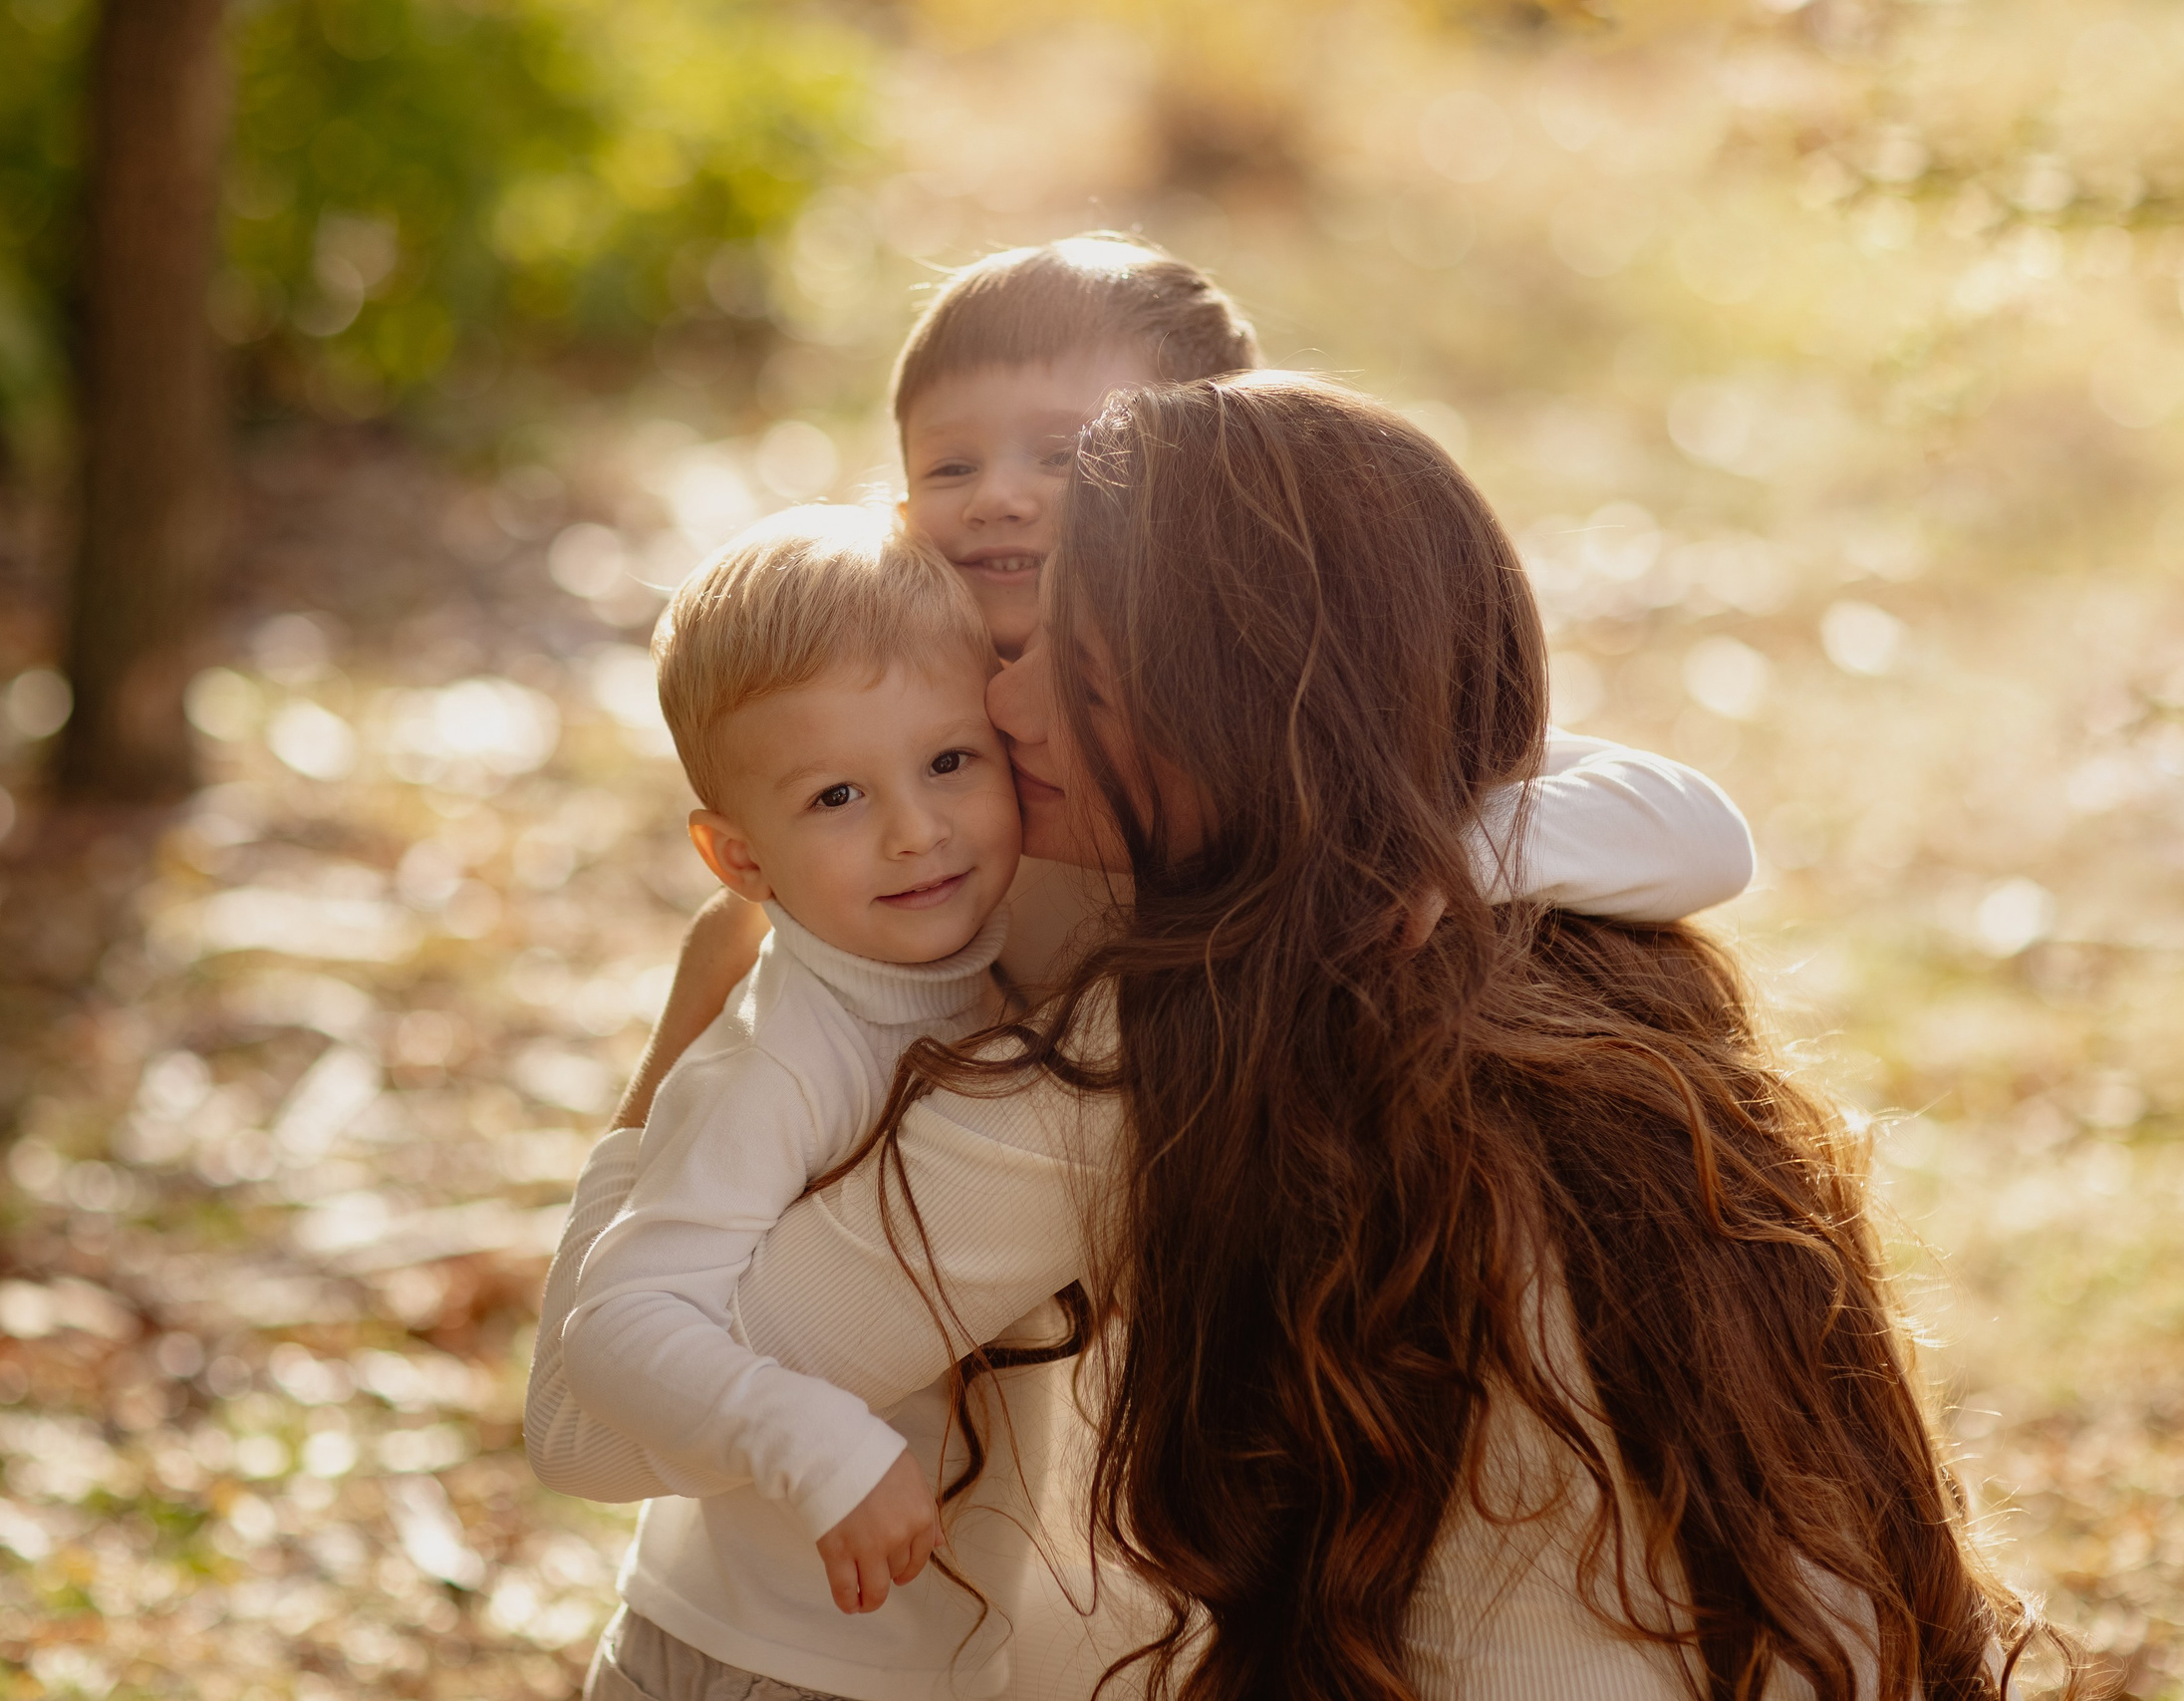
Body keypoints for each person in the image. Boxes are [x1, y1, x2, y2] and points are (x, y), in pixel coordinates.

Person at [605, 372, 2064, 1699]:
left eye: (1084, 676)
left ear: (1236, 728)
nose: (1005, 697)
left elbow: (607, 1403)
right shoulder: (1590, 933)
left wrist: (682, 1065)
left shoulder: (1165, 1043)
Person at [613, 233, 1757, 1128]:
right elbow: (713, 1037)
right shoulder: (900, 739)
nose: (1000, 495)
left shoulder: (1287, 722)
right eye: (951, 464)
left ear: (1217, 484)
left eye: (1068, 457)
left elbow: (1698, 832)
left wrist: (1432, 858)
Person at [533, 504, 1034, 1701]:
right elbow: (614, 1330)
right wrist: (824, 1450)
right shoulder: (785, 1058)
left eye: (950, 762)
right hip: (762, 1654)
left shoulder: (988, 955)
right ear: (739, 862)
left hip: (906, 1648)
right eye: (835, 799)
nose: (918, 831)